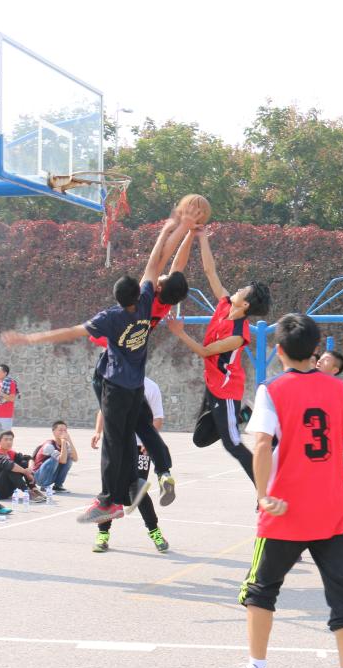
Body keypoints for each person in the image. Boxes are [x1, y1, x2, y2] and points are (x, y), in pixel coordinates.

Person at [2, 203, 201, 524]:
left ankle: (110, 499)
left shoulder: (114, 316)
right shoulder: (153, 303)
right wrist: (185, 230)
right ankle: (148, 478)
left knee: (112, 439)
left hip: (115, 382)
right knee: (137, 430)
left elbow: (71, 331)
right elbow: (166, 263)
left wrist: (28, 339)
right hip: (136, 383)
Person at [224, 314, 343, 668]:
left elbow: (261, 444)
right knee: (340, 591)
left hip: (285, 509)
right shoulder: (339, 389)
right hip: (332, 509)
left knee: (260, 589)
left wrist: (262, 495)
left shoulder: (272, 390)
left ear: (279, 350)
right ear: (316, 349)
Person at [86, 206, 198, 504]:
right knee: (140, 426)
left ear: (159, 286)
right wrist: (190, 233)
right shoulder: (163, 302)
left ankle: (114, 494)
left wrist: (177, 226)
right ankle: (162, 472)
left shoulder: (145, 298)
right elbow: (178, 264)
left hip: (112, 365)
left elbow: (159, 258)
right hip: (134, 367)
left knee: (116, 432)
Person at [166, 227, 272, 485]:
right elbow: (209, 270)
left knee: (232, 443)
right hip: (212, 382)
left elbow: (205, 352)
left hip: (226, 390)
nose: (238, 288)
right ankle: (242, 415)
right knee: (200, 439)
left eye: (244, 290)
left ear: (245, 304)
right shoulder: (225, 303)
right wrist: (201, 237)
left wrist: (179, 332)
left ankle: (264, 490)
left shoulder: (238, 334)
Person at [90, 378, 171, 554]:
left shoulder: (151, 387)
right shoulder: (113, 381)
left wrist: (150, 442)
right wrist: (97, 432)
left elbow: (157, 418)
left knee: (138, 490)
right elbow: (104, 409)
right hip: (116, 444)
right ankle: (103, 534)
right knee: (110, 488)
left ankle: (155, 532)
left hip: (140, 447)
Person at [314, 350, 343, 560]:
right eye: (320, 358)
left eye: (326, 360)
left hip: (327, 458)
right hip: (311, 455)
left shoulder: (340, 390)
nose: (319, 361)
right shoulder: (308, 384)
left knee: (330, 506)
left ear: (335, 369)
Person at [0, 431, 46, 502]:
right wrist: (25, 472)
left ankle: (33, 489)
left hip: (7, 490)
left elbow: (28, 458)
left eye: (11, 440)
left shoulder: (10, 453)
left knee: (23, 463)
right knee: (10, 467)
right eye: (6, 439)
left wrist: (30, 470)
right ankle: (27, 492)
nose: (9, 442)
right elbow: (9, 464)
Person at [33, 421, 79, 492]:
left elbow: (75, 459)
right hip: (39, 476)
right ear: (54, 432)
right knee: (55, 458)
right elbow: (62, 461)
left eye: (65, 430)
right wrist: (63, 441)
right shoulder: (49, 445)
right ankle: (44, 486)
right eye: (60, 430)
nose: (63, 432)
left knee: (69, 458)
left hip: (51, 475)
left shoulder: (65, 445)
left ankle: (58, 485)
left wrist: (69, 441)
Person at [0, 364, 19, 436]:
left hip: (6, 416)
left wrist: (0, 393)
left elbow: (12, 398)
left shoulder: (11, 383)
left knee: (6, 437)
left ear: (5, 373)